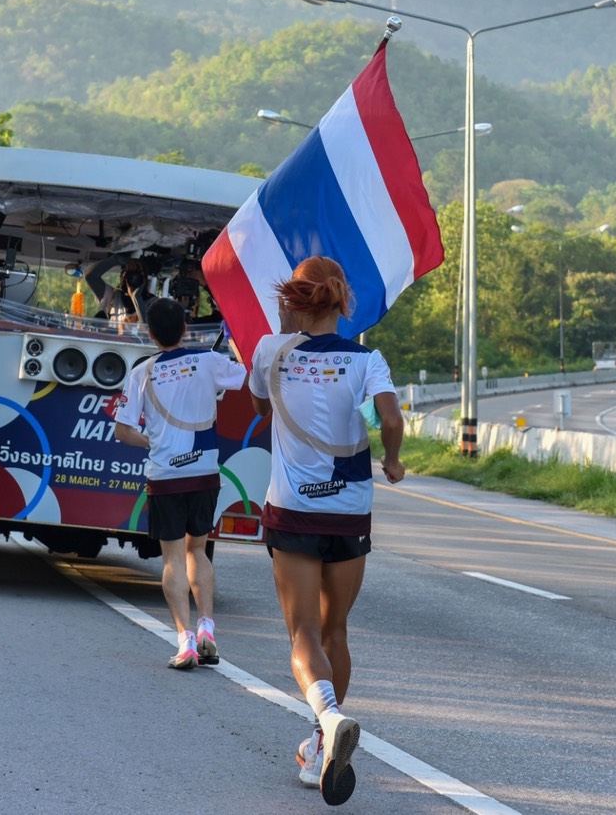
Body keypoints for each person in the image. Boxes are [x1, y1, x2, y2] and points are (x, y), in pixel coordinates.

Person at [247, 256, 405, 806]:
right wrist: (393, 460)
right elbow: (389, 419)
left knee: (302, 636)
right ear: (341, 302)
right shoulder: (368, 359)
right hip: (350, 509)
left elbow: (258, 402)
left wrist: (284, 329)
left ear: (293, 299)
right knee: (336, 628)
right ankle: (320, 745)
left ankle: (330, 720)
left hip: (292, 510)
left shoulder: (270, 350)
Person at [112, 298, 248, 669]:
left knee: (172, 558)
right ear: (186, 328)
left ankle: (185, 641)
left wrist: (152, 442)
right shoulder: (208, 361)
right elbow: (244, 374)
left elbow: (123, 430)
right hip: (204, 472)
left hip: (166, 476)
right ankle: (207, 627)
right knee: (197, 551)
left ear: (151, 334)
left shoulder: (142, 372)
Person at [85, 252, 153, 323]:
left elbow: (150, 329)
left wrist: (137, 298)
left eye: (139, 274)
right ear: (123, 278)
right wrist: (116, 259)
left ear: (145, 279)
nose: (134, 278)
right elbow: (90, 276)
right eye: (130, 274)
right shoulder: (114, 298)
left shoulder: (153, 304)